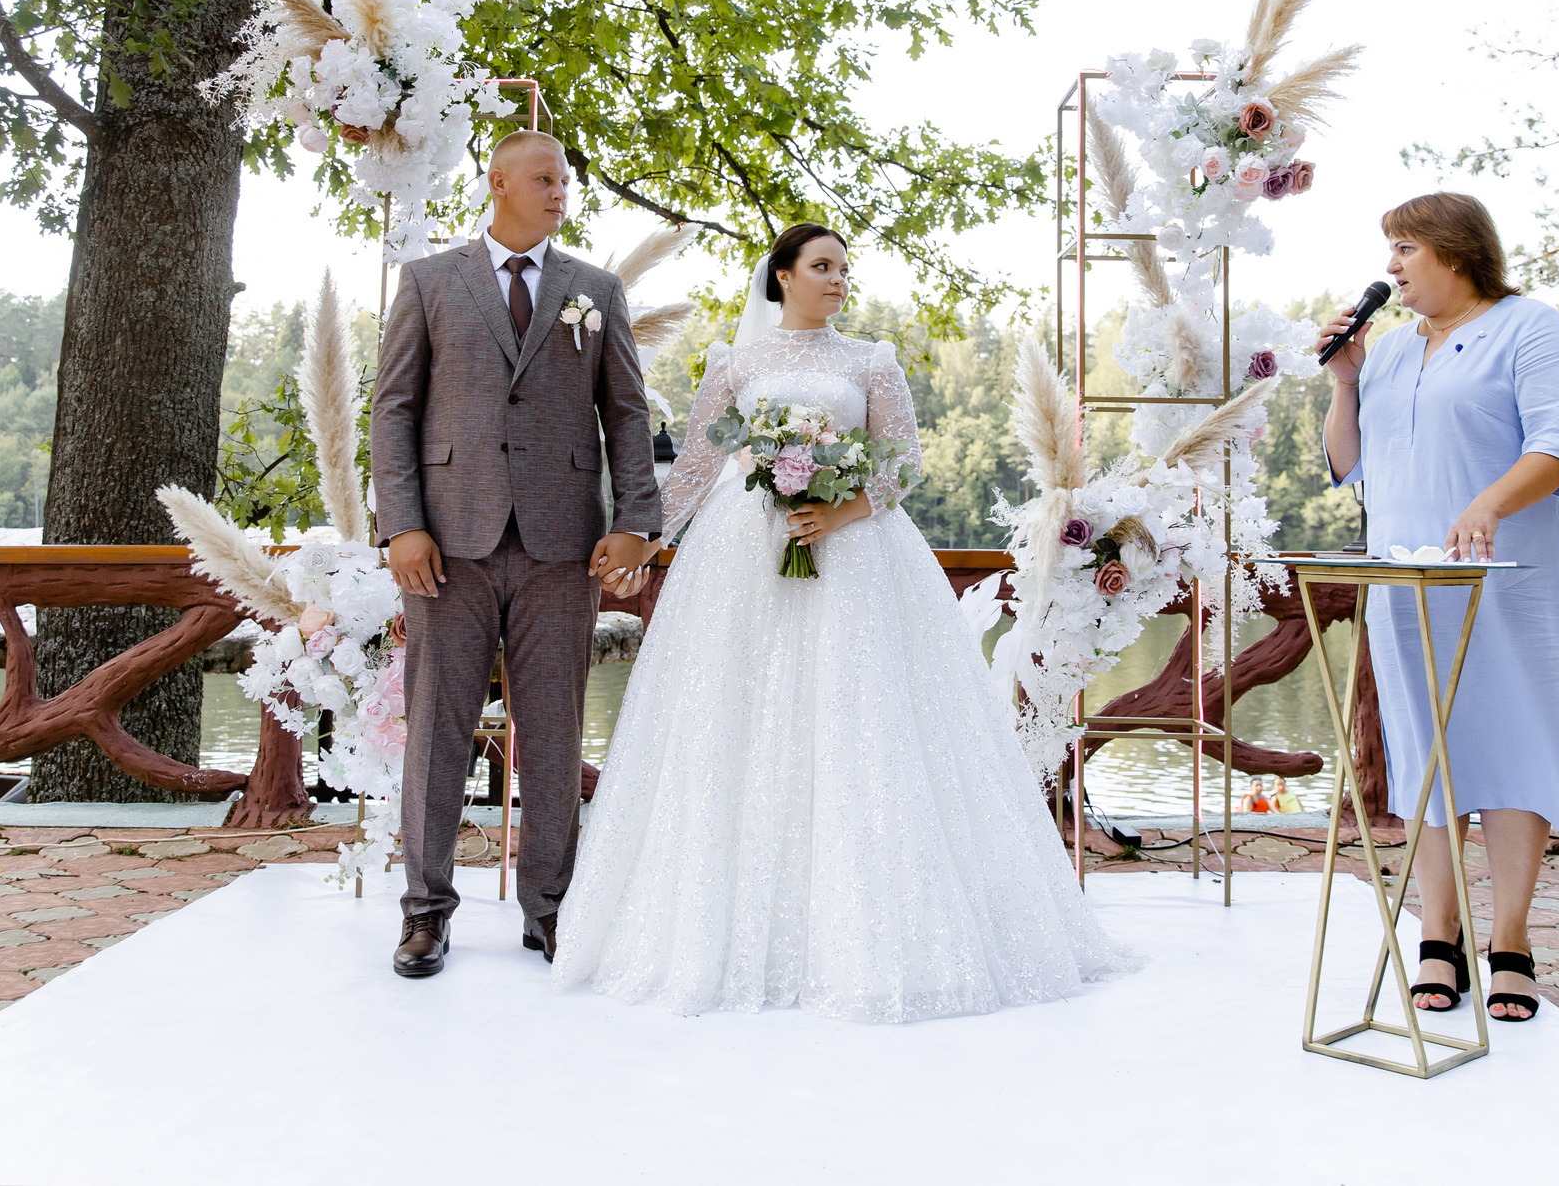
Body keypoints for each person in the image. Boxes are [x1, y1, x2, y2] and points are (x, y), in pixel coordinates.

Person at [552, 223, 1139, 1022]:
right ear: (782, 277)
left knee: (859, 722)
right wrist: (648, 539)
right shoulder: (735, 361)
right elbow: (694, 464)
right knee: (737, 723)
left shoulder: (871, 360)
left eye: (843, 269)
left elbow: (903, 458)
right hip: (743, 556)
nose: (837, 280)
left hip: (856, 553)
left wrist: (841, 508)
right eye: (822, 267)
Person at [371, 129, 663, 979]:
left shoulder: (595, 290)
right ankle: (425, 913)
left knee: (554, 729)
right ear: (496, 181)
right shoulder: (427, 281)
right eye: (543, 177)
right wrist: (401, 525)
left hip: (561, 545)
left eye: (565, 180)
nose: (559, 191)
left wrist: (636, 520)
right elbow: (393, 411)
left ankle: (552, 909)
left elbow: (629, 417)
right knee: (435, 731)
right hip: (445, 545)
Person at [1315, 192, 1559, 1023]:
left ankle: (1508, 940)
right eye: (1390, 250)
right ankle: (1438, 933)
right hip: (1407, 586)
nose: (1392, 266)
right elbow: (1350, 463)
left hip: (1509, 580)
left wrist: (1488, 503)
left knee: (1515, 748)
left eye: (1405, 247)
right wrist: (1346, 382)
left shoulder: (1533, 330)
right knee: (1426, 751)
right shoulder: (1395, 350)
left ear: (1455, 250)